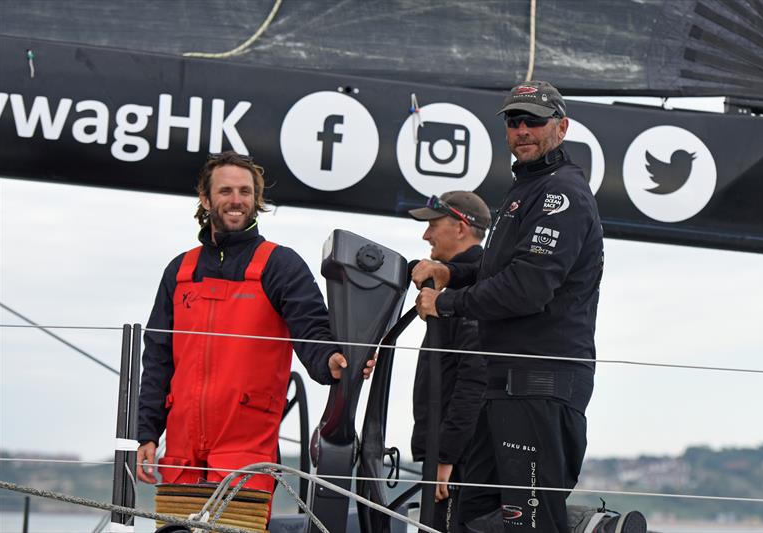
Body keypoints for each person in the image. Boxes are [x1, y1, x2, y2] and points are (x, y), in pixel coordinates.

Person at [413, 81, 645, 533]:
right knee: (469, 518)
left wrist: (447, 303)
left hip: (540, 384)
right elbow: (504, 270)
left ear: (561, 127)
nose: (522, 130)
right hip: (503, 387)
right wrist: (452, 274)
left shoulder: (562, 194)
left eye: (533, 121)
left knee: (529, 524)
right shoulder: (526, 189)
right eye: (513, 121)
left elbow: (527, 288)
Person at [136, 151, 374, 502]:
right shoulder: (179, 271)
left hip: (246, 452)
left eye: (246, 192)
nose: (236, 201)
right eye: (226, 191)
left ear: (256, 199)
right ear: (205, 199)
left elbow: (311, 328)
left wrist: (331, 362)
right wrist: (147, 433)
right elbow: (157, 359)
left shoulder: (280, 265)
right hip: (182, 451)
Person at [408, 191, 491, 533]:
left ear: (460, 228)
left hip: (461, 461)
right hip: (454, 455)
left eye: (433, 225)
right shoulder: (468, 284)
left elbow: (475, 377)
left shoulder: (473, 291)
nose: (426, 235)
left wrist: (445, 456)